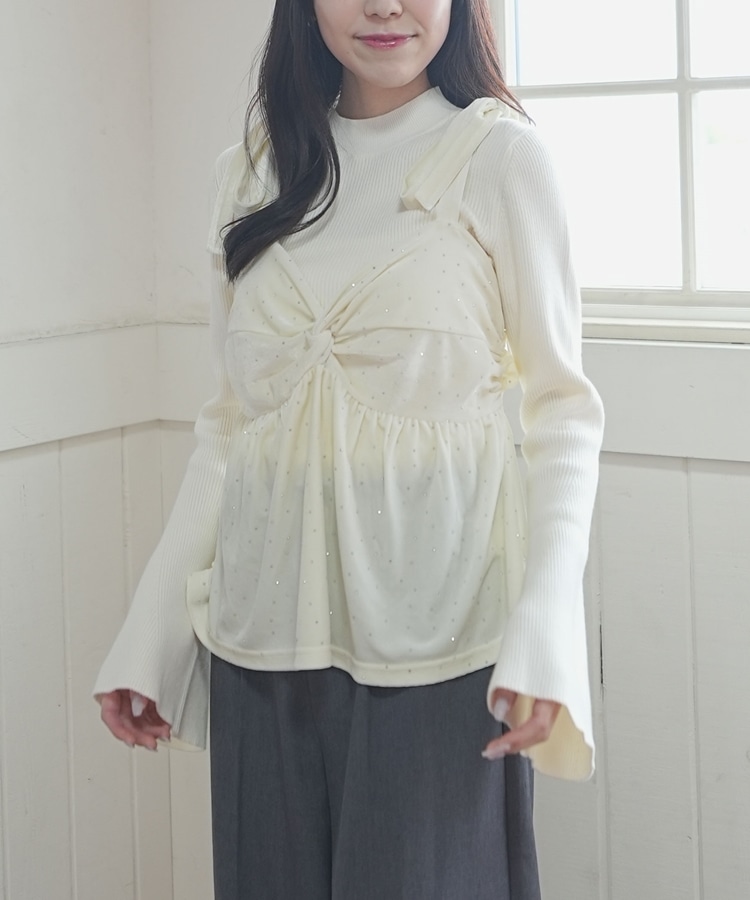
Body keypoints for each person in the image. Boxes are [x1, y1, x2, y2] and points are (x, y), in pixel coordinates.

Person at [95, 0, 605, 896]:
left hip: (441, 645)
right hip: (260, 651)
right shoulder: (251, 174)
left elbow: (563, 410)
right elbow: (234, 421)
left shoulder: (499, 159)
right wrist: (153, 634)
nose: (383, 5)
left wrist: (546, 628)